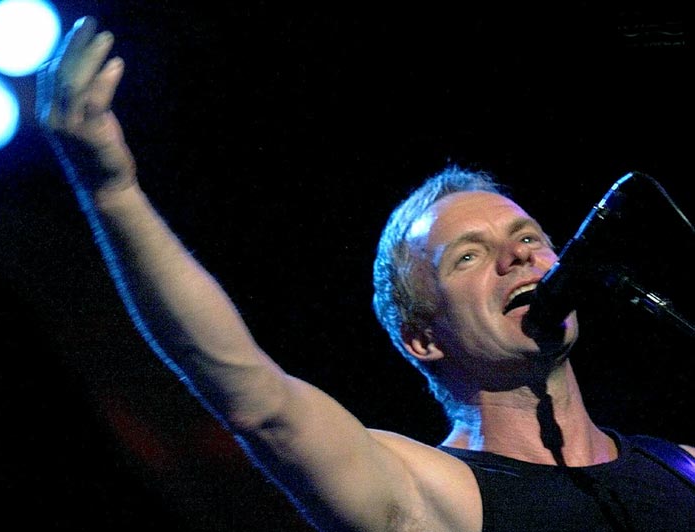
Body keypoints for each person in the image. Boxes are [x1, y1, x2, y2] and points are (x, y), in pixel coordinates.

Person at [36, 16, 695, 532]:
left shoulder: (681, 465)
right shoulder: (423, 492)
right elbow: (256, 399)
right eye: (467, 256)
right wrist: (113, 193)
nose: (518, 257)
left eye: (528, 238)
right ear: (421, 337)